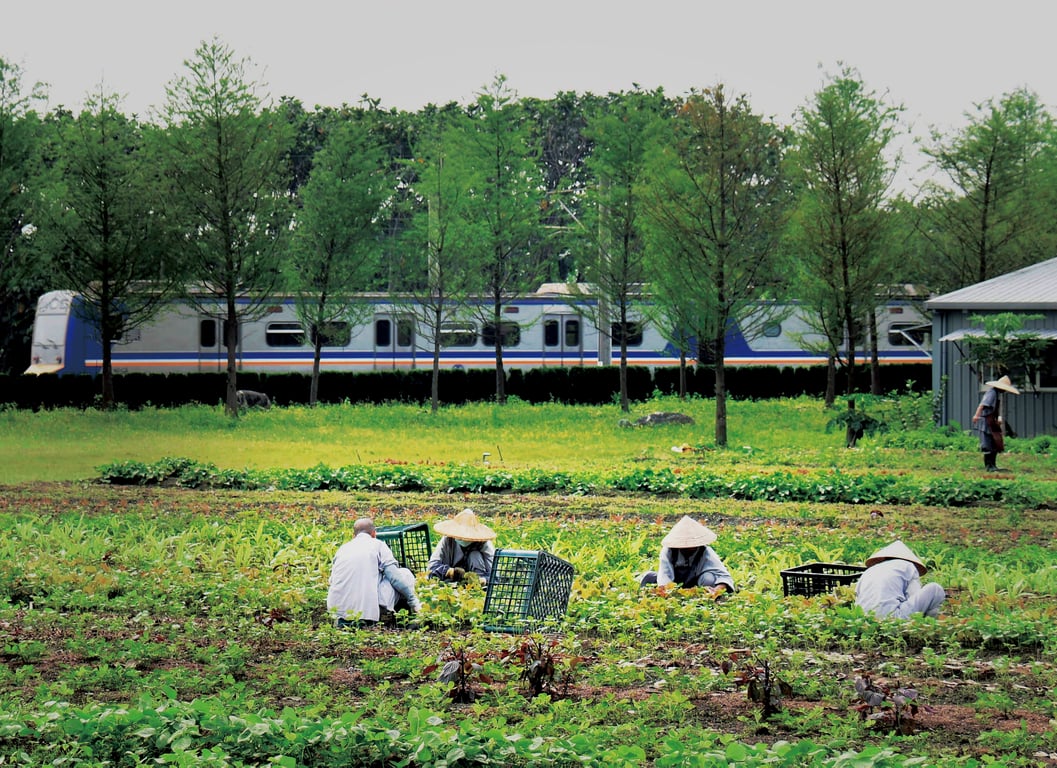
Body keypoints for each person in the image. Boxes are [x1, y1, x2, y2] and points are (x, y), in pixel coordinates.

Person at [327, 517, 422, 627]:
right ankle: (401, 619)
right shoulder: (378, 545)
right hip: (365, 612)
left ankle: (340, 622)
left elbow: (332, 581)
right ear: (374, 534)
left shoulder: (342, 549)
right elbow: (395, 577)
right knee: (404, 574)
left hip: (338, 612)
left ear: (354, 536)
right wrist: (413, 600)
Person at [638, 515, 734, 599]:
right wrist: (670, 593)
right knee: (648, 577)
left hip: (697, 585)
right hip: (674, 585)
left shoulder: (705, 551)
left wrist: (715, 591)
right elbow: (665, 577)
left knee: (708, 578)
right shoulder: (668, 551)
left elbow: (724, 576)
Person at [855, 540, 945, 620]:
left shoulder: (869, 571)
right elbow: (913, 595)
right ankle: (930, 624)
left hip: (865, 621)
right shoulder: (908, 566)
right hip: (892, 620)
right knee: (935, 588)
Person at [427, 508, 497, 584]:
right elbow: (432, 567)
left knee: (474, 555)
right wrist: (451, 572)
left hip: (478, 580)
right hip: (450, 581)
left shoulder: (483, 543)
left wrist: (482, 581)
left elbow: (495, 575)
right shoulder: (448, 540)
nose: (463, 538)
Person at [971, 374, 1020, 472]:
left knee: (995, 443)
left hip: (991, 420)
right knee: (987, 444)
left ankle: (993, 465)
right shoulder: (991, 393)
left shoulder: (996, 394)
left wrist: (998, 418)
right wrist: (976, 416)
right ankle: (989, 466)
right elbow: (982, 405)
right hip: (986, 421)